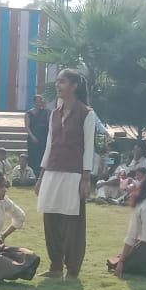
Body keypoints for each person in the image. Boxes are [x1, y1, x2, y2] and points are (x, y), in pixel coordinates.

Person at [35, 70, 95, 279]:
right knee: (51, 218)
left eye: (62, 81)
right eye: (57, 81)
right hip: (52, 171)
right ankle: (56, 266)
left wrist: (86, 178)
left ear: (74, 86)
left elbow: (89, 147)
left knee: (72, 223)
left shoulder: (86, 113)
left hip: (73, 173)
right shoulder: (54, 113)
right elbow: (49, 147)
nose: (58, 85)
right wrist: (41, 177)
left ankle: (73, 269)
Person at [25, 94, 50, 177]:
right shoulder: (28, 113)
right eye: (37, 102)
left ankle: (41, 175)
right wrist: (33, 137)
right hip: (33, 138)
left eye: (40, 102)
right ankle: (32, 175)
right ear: (34, 102)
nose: (38, 104)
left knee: (42, 156)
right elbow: (27, 127)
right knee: (33, 157)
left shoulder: (45, 112)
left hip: (43, 138)